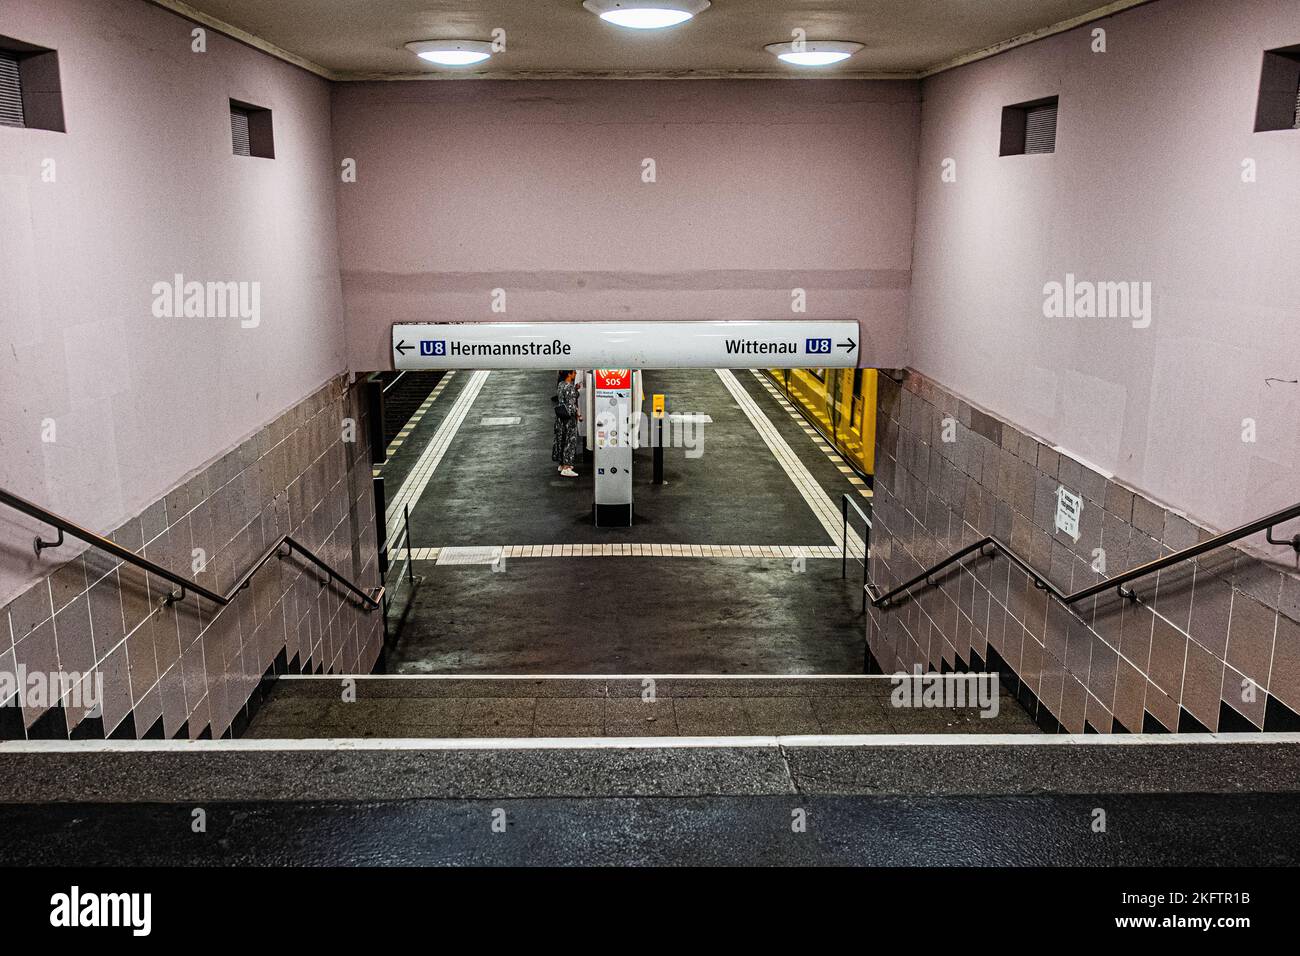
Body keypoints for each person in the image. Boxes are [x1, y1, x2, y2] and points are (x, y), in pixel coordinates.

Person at [552, 370, 581, 477]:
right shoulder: (569, 387)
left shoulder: (561, 384)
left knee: (561, 440)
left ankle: (561, 464)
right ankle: (567, 467)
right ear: (569, 374)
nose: (576, 374)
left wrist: (575, 390)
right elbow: (571, 405)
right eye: (574, 372)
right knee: (570, 441)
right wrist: (578, 415)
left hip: (560, 417)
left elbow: (565, 397)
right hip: (569, 420)